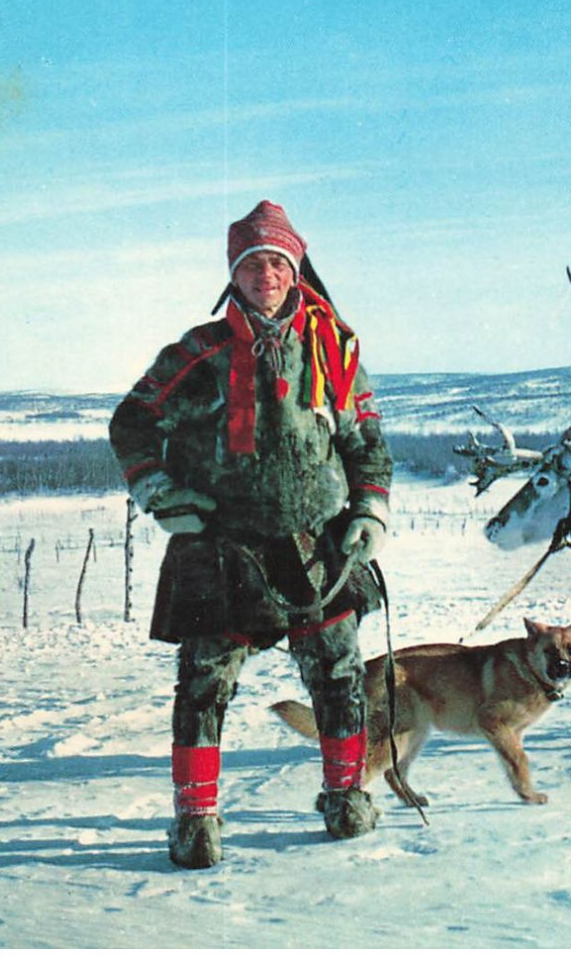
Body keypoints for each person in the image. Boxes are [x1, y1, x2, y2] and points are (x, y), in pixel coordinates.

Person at [109, 200, 393, 869]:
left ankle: (347, 798)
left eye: (275, 262)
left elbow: (365, 439)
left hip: (318, 543)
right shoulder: (199, 353)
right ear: (233, 274)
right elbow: (133, 422)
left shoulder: (335, 349)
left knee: (339, 675)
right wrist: (160, 494)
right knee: (204, 685)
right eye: (251, 264)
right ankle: (196, 821)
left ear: (294, 270)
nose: (265, 274)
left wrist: (369, 509)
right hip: (223, 544)